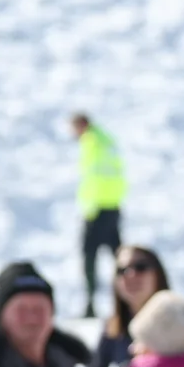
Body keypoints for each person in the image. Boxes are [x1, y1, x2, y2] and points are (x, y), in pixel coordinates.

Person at [69, 115, 125, 317]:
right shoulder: (107, 139)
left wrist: (89, 208)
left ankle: (91, 303)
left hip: (96, 209)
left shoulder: (91, 141)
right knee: (120, 258)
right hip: (113, 206)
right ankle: (126, 302)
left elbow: (91, 178)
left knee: (90, 258)